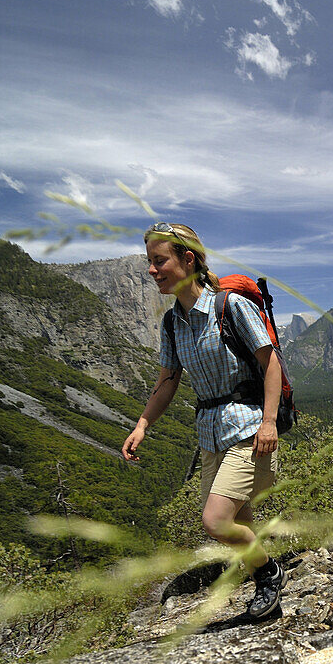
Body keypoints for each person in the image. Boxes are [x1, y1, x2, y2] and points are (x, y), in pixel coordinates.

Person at [122, 221, 287, 619]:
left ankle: (268, 574)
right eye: (149, 262)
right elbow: (167, 382)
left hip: (249, 429)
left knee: (215, 520)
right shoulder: (171, 323)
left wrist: (269, 422)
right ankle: (265, 583)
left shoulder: (230, 306)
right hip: (211, 435)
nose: (151, 270)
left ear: (188, 259)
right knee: (238, 519)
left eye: (159, 261)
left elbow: (271, 364)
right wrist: (142, 425)